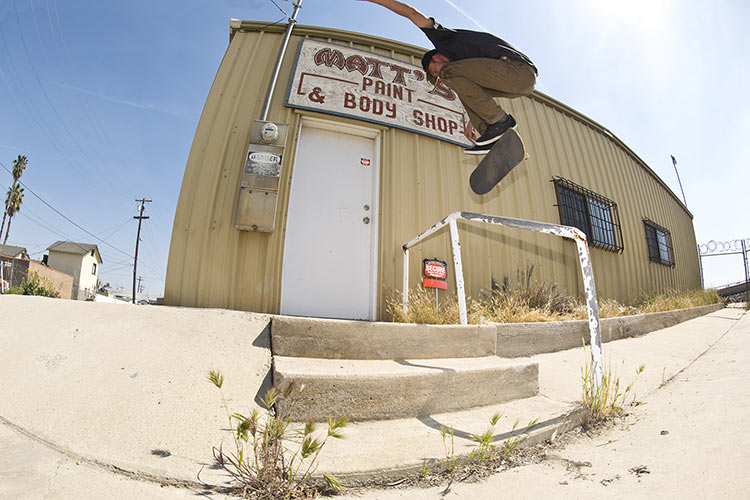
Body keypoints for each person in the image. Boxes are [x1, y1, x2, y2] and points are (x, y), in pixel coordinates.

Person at [359, 0, 537, 154]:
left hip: (517, 69)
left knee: (449, 73)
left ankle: (499, 122)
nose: (439, 76)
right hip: (518, 81)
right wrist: (472, 122)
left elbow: (411, 13)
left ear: (436, 57)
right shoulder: (468, 71)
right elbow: (475, 95)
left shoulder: (445, 41)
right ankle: (493, 136)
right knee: (459, 86)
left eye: (434, 70)